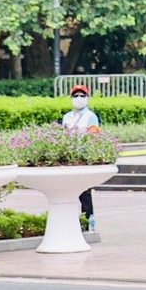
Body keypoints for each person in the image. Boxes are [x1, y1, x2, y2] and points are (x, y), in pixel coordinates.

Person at [60, 83, 101, 229]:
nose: (79, 98)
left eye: (82, 95)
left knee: (85, 192)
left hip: (83, 157)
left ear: (87, 98)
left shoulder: (91, 117)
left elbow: (94, 137)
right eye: (75, 95)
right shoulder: (66, 117)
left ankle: (88, 220)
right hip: (68, 157)